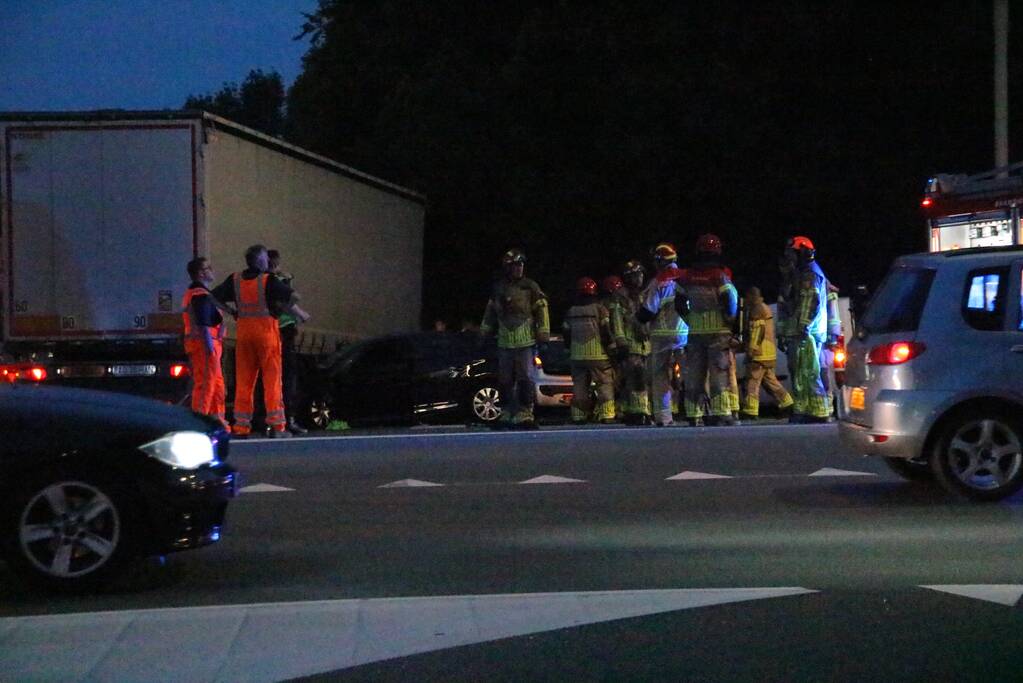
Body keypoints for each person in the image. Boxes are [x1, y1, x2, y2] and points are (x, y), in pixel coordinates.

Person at [211, 244, 302, 438]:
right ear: (260, 260)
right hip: (266, 335)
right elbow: (294, 296)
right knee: (272, 382)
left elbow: (213, 297)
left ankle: (241, 426)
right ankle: (277, 427)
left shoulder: (235, 279)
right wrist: (279, 310)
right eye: (265, 258)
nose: (268, 261)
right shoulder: (268, 280)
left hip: (244, 335)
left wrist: (232, 312)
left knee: (244, 382)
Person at [480, 248, 550, 429]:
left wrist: (543, 333)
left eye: (521, 264)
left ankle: (525, 413)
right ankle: (505, 413)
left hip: (525, 341)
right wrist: (484, 332)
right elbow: (490, 312)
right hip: (504, 341)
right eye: (516, 265)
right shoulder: (499, 288)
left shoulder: (530, 286)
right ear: (507, 267)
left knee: (525, 378)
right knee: (504, 380)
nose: (520, 268)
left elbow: (542, 308)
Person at [677, 233, 739, 426]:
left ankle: (693, 414)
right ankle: (722, 413)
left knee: (694, 374)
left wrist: (691, 321)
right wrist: (730, 322)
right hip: (718, 333)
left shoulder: (687, 276)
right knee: (719, 373)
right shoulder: (720, 276)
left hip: (695, 334)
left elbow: (679, 304)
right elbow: (732, 301)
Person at [784, 236, 835, 423]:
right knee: (801, 373)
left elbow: (810, 300)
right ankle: (806, 410)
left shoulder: (809, 274)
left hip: (807, 332)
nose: (790, 258)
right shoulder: (805, 272)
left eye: (793, 253)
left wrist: (803, 325)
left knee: (808, 372)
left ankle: (819, 412)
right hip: (807, 330)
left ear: (803, 252)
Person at [637, 243, 688, 427]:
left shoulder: (659, 281)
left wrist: (637, 317)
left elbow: (648, 311)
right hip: (684, 334)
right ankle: (696, 413)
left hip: (661, 336)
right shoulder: (686, 277)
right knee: (691, 375)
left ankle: (664, 417)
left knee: (660, 377)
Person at [268, 249, 311, 435]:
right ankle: (284, 420)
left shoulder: (264, 281)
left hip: (274, 331)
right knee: (286, 378)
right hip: (280, 331)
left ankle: (277, 420)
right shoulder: (272, 282)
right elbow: (287, 301)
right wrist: (300, 314)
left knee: (276, 378)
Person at [181, 257, 227, 428]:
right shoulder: (199, 294)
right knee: (206, 385)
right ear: (201, 273)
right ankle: (198, 425)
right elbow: (204, 323)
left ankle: (216, 422)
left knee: (215, 384)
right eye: (208, 268)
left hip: (207, 345)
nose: (212, 270)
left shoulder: (200, 293)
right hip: (205, 345)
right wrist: (209, 347)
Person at [564, 277, 616, 424]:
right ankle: (607, 414)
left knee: (579, 386)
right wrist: (612, 348)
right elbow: (605, 331)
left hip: (577, 356)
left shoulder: (571, 311)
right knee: (604, 383)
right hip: (598, 354)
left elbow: (566, 334)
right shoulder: (599, 309)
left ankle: (578, 416)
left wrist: (569, 350)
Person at [608, 260, 652, 425]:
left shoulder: (646, 293)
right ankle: (639, 411)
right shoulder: (620, 297)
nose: (639, 278)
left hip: (647, 345)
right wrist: (621, 341)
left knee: (645, 379)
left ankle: (639, 410)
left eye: (640, 274)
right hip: (631, 344)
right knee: (636, 378)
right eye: (635, 275)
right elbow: (617, 321)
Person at [739, 286, 793, 420]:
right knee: (771, 382)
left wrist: (751, 350)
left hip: (759, 353)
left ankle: (750, 411)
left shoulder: (757, 309)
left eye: (746, 297)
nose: (745, 300)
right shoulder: (764, 307)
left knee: (752, 382)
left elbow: (758, 330)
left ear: (751, 296)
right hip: (768, 352)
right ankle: (787, 404)